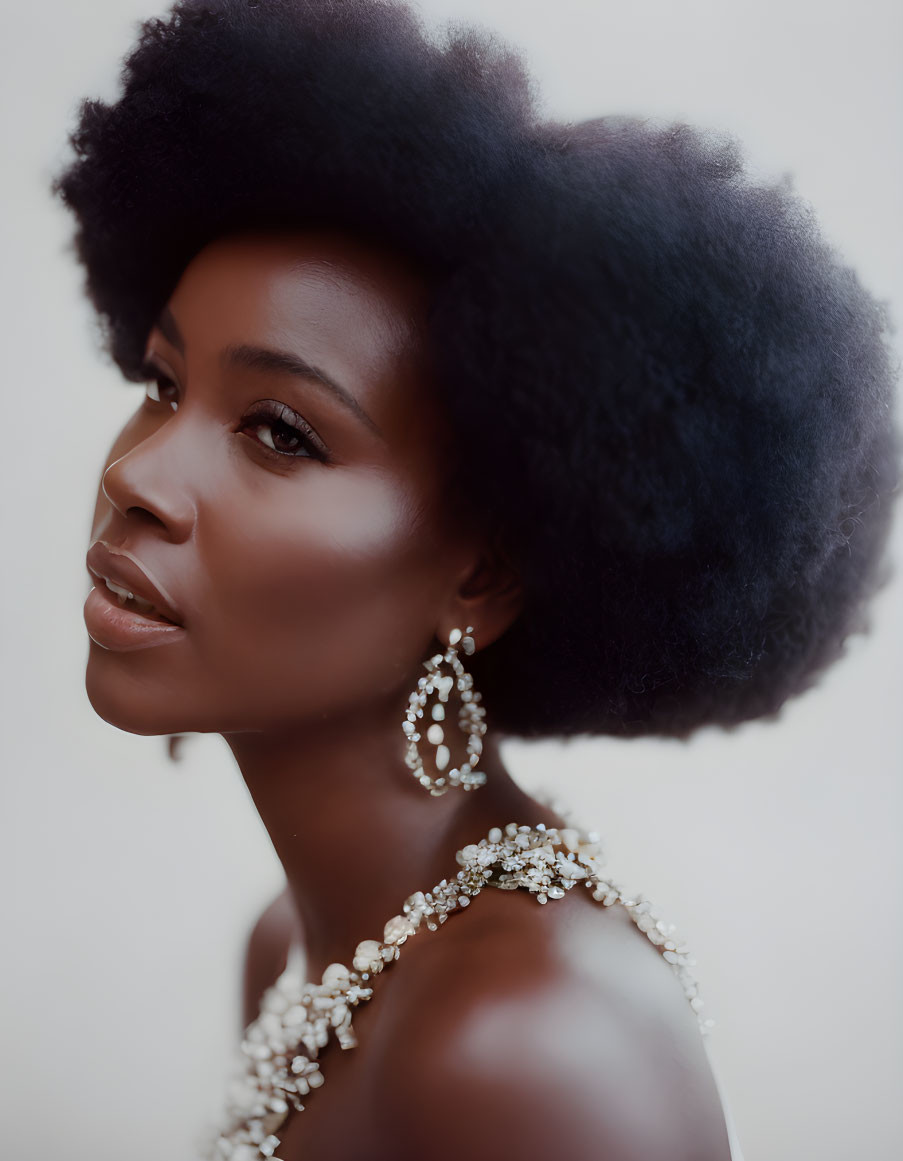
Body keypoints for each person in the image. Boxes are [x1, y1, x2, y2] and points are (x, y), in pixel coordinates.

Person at [51, 0, 900, 1158]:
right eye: (161, 382)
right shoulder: (296, 944)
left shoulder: (521, 1043)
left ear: (484, 574)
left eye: (282, 433)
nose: (143, 472)